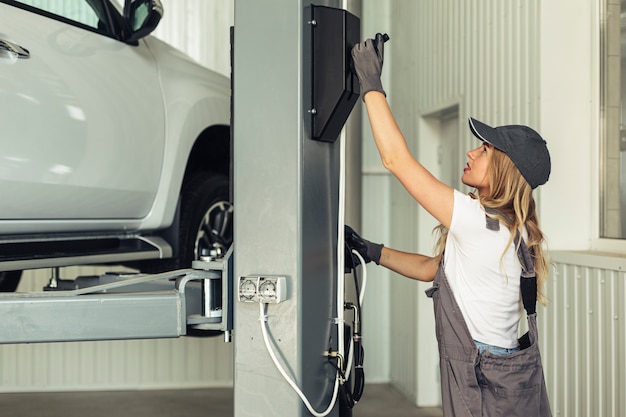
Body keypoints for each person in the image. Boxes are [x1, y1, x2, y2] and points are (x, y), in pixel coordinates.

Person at [348, 34, 552, 416]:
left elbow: (396, 160)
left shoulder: (479, 222)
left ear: (506, 168)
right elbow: (434, 270)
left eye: (486, 149)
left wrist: (372, 87)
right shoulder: (517, 230)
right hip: (509, 373)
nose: (472, 152)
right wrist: (371, 250)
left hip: (482, 376)